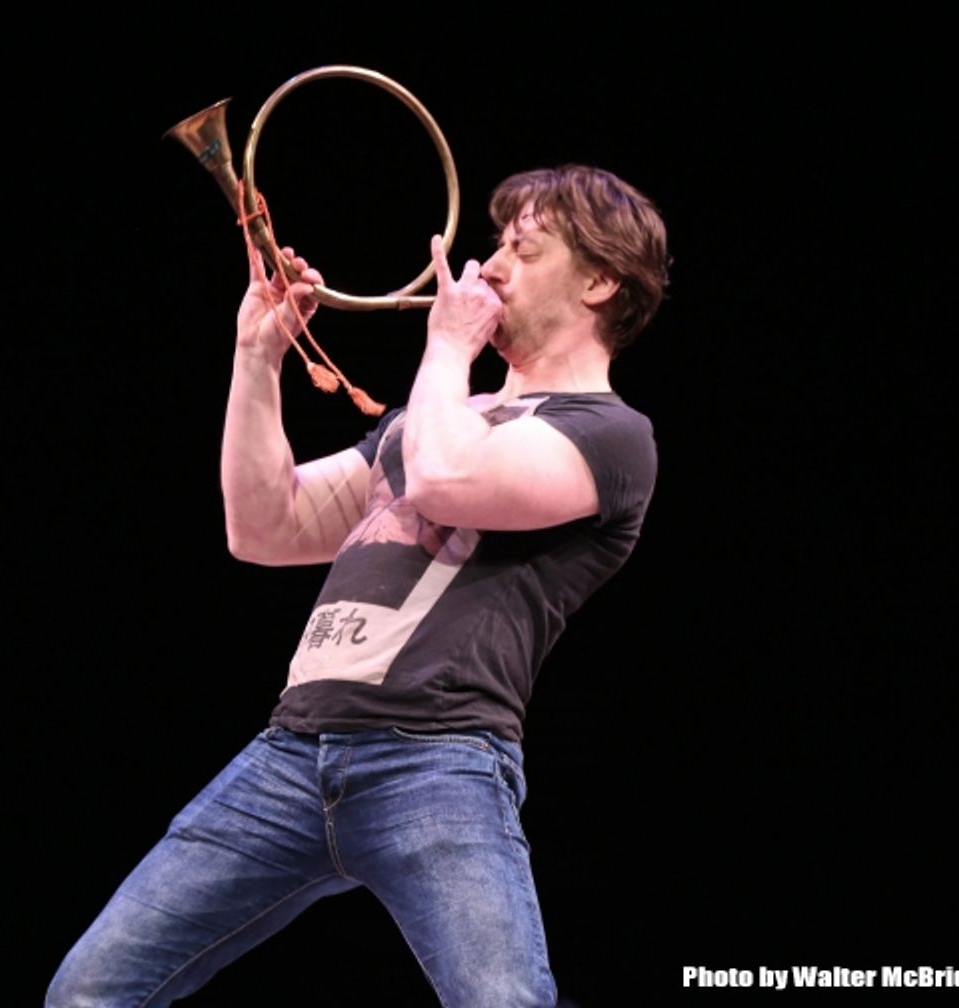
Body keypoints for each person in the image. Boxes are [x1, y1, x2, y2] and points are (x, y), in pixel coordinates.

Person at [46, 163, 670, 1007]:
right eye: (496, 245)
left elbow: (447, 483)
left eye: (523, 250)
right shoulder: (424, 424)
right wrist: (256, 357)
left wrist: (450, 347)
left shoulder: (610, 434)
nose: (487, 267)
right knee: (89, 991)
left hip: (437, 761)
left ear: (599, 281)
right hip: (291, 756)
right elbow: (262, 528)